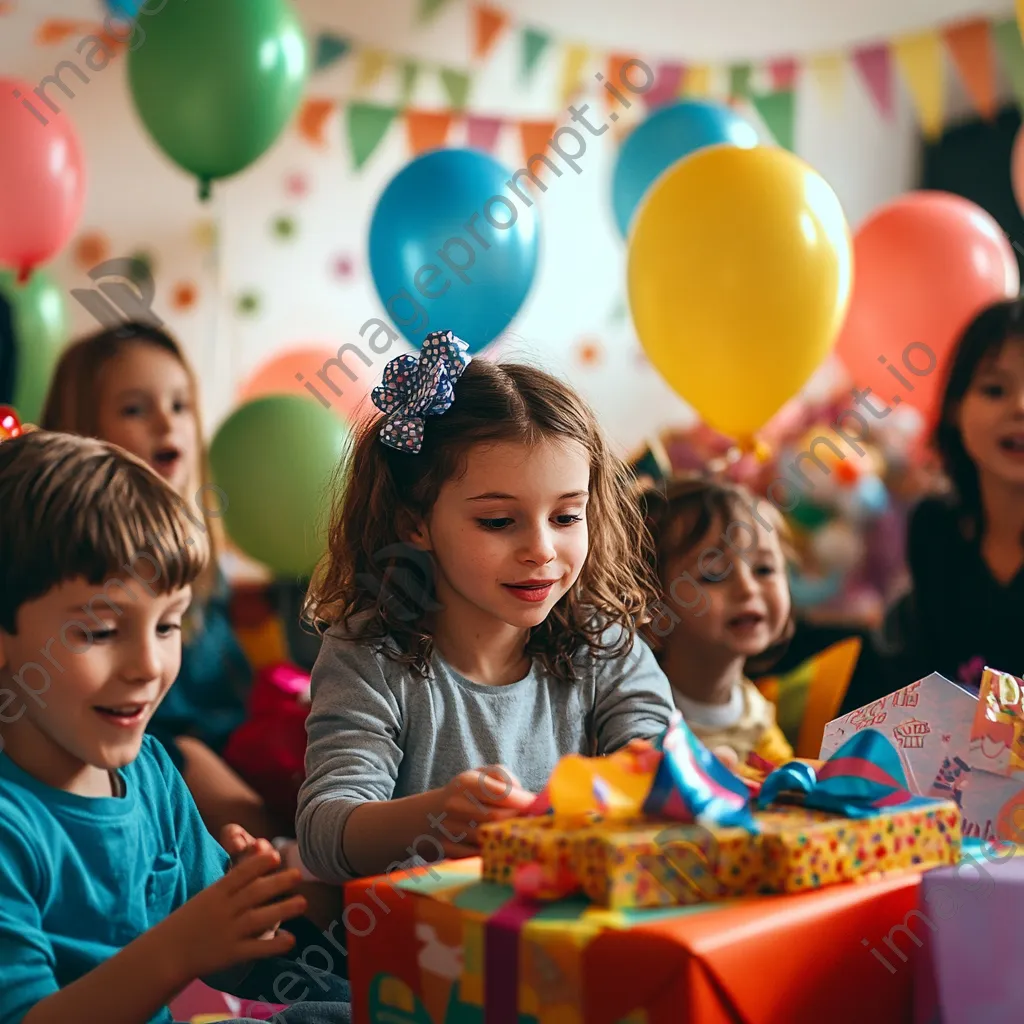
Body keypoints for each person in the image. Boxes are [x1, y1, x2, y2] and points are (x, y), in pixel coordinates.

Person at [295, 330, 678, 884]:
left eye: (567, 517)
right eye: (499, 522)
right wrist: (430, 819)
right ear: (415, 524)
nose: (542, 550)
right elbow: (323, 836)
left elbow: (654, 763)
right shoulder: (369, 657)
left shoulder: (603, 643)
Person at [0, 430, 349, 1024]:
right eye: (100, 632)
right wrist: (179, 947)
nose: (147, 666)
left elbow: (225, 967)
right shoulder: (13, 825)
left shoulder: (152, 772)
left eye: (167, 627)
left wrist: (246, 911)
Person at [40, 322, 275, 840]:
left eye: (179, 405)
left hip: (230, 733)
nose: (165, 423)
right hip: (152, 740)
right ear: (83, 432)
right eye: (134, 409)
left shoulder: (201, 546)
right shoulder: (73, 558)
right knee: (257, 822)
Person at [882, 298, 1024, 690]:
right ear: (954, 408)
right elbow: (919, 681)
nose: (1020, 407)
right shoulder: (934, 526)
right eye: (995, 389)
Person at [639, 475, 795, 766]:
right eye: (713, 574)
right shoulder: (634, 712)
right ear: (651, 604)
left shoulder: (755, 711)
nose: (748, 588)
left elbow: (783, 780)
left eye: (764, 569)